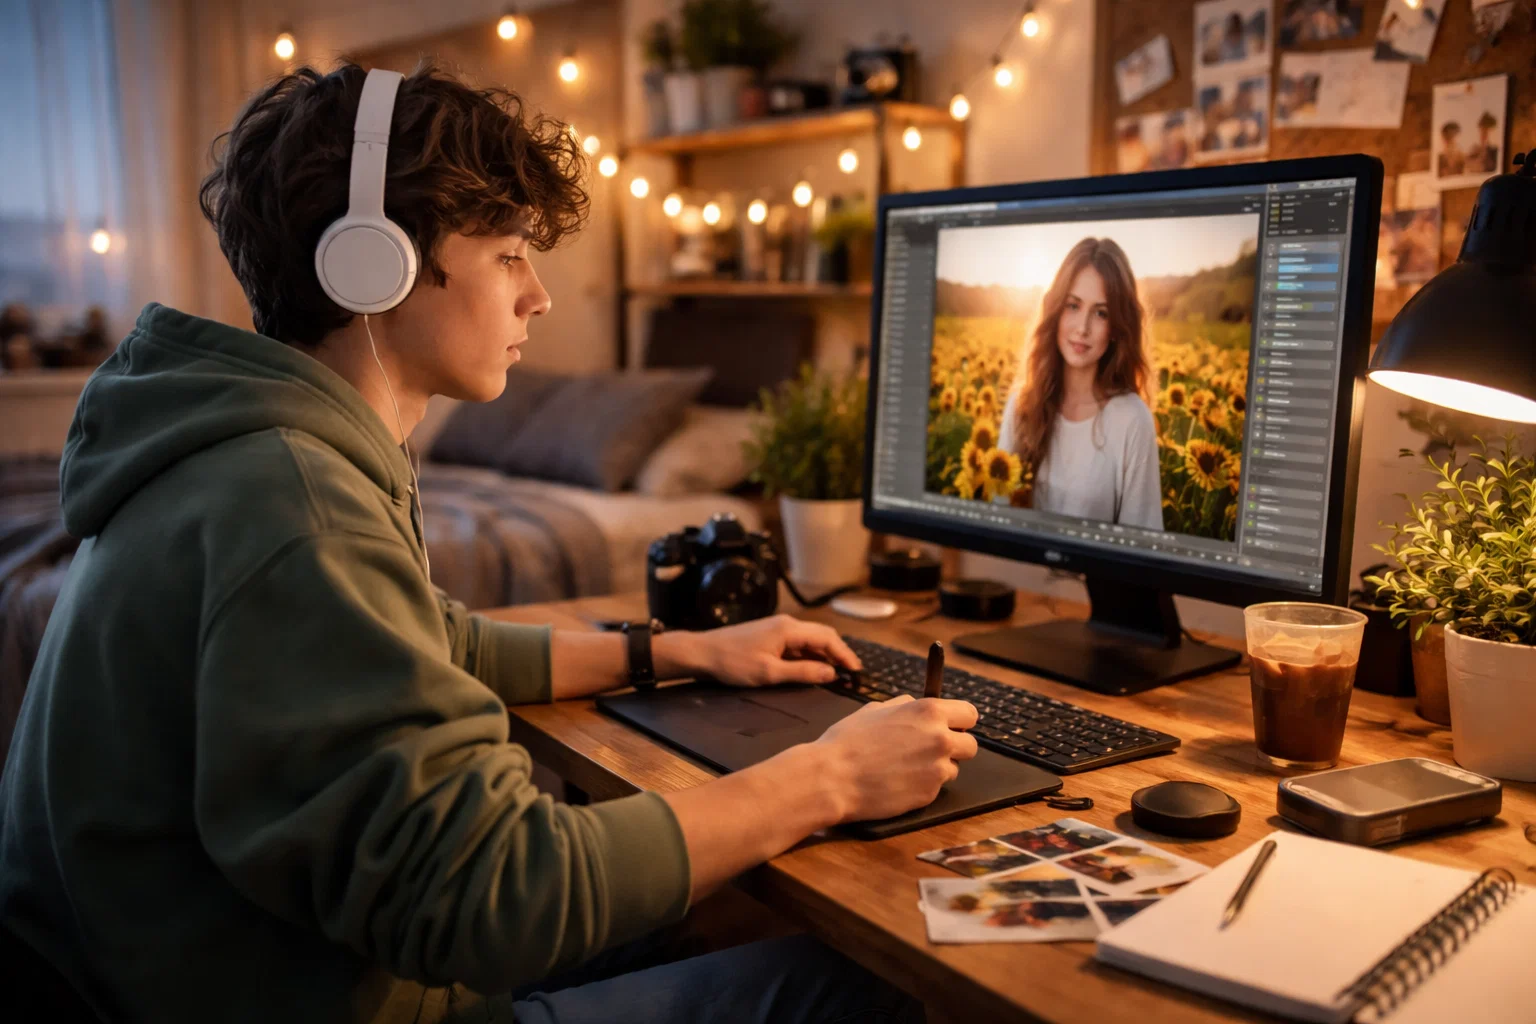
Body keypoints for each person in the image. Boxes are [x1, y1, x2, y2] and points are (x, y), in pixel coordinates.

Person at [0, 63, 980, 1024]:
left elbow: (432, 643)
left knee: (720, 907)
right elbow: (491, 897)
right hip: (328, 989)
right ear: (371, 259)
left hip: (252, 963)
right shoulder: (298, 504)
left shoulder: (254, 455)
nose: (539, 296)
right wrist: (831, 774)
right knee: (874, 977)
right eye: (510, 253)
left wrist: (676, 650)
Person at [998, 238, 1162, 530]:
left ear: (1116, 328)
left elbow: (1140, 549)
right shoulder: (1021, 407)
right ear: (1055, 310)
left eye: (1101, 313)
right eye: (1073, 306)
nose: (1082, 328)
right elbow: (997, 521)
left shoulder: (1132, 421)